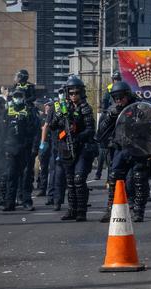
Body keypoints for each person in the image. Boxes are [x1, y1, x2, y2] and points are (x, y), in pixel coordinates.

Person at [49, 77, 96, 222]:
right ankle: (72, 210)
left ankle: (81, 211)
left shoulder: (85, 108)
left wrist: (78, 137)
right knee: (69, 181)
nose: (74, 96)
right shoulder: (63, 107)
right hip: (66, 149)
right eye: (71, 93)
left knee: (79, 179)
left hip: (81, 148)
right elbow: (53, 126)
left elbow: (90, 130)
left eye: (76, 93)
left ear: (81, 93)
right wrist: (59, 117)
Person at [98, 81, 139, 222]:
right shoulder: (112, 110)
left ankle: (136, 210)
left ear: (127, 95)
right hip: (119, 148)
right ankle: (110, 209)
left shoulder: (138, 108)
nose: (119, 101)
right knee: (113, 177)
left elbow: (149, 126)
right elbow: (100, 132)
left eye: (121, 97)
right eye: (116, 98)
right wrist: (110, 116)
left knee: (134, 179)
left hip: (136, 149)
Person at [1, 88, 35, 212]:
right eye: (16, 96)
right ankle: (9, 203)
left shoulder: (29, 111)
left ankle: (26, 201)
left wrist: (34, 147)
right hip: (10, 148)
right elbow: (2, 131)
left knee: (26, 176)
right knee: (11, 176)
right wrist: (2, 147)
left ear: (24, 97)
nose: (18, 98)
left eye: (20, 96)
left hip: (25, 148)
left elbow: (35, 130)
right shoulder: (7, 112)